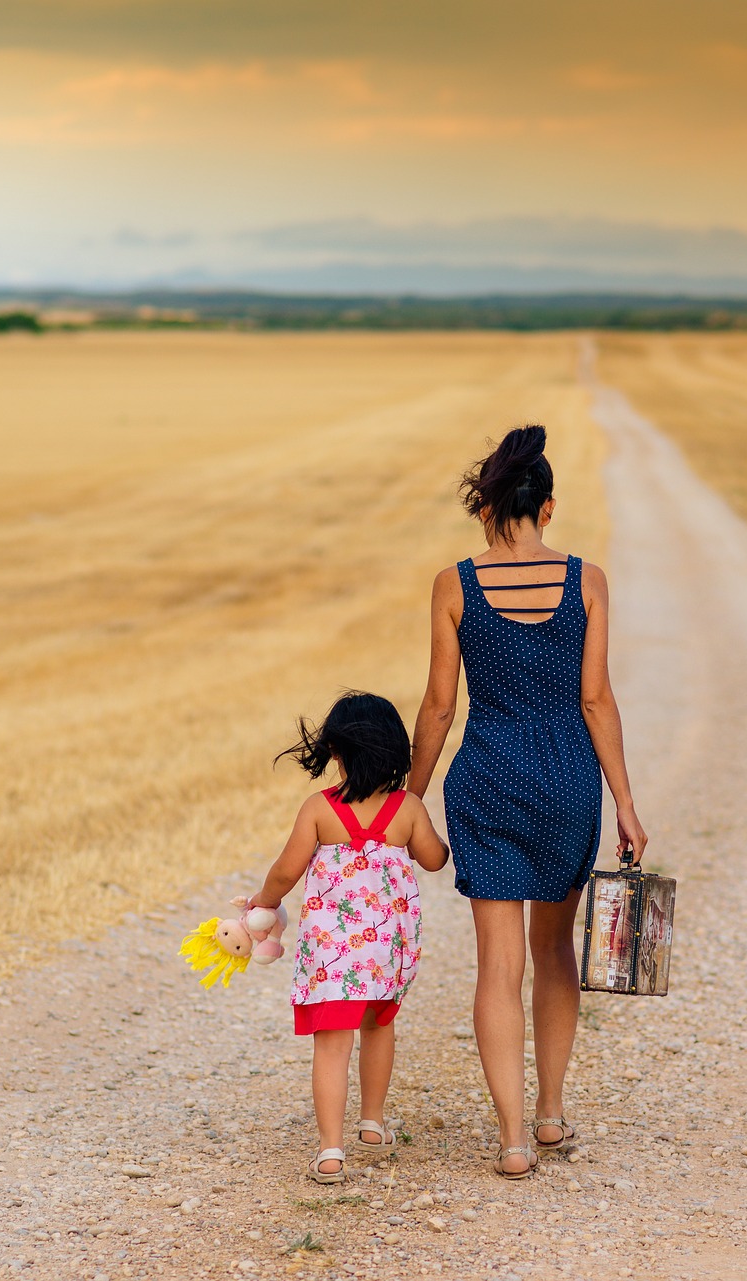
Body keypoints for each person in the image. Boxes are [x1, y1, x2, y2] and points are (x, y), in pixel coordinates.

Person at [407, 424, 648, 1180]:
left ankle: (511, 1139)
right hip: (565, 782)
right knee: (552, 952)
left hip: (485, 777)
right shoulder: (587, 581)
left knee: (496, 967)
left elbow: (440, 708)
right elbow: (597, 699)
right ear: (547, 508)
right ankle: (548, 1112)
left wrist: (408, 802)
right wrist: (627, 805)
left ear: (486, 510)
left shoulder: (455, 585)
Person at [248, 692, 450, 1184]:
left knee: (331, 1045)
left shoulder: (320, 808)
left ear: (336, 752)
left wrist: (263, 902)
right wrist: (436, 838)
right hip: (385, 955)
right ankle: (373, 1124)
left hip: (331, 958)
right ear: (398, 751)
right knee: (379, 1028)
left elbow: (286, 870)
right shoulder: (408, 809)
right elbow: (434, 859)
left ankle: (331, 1151)